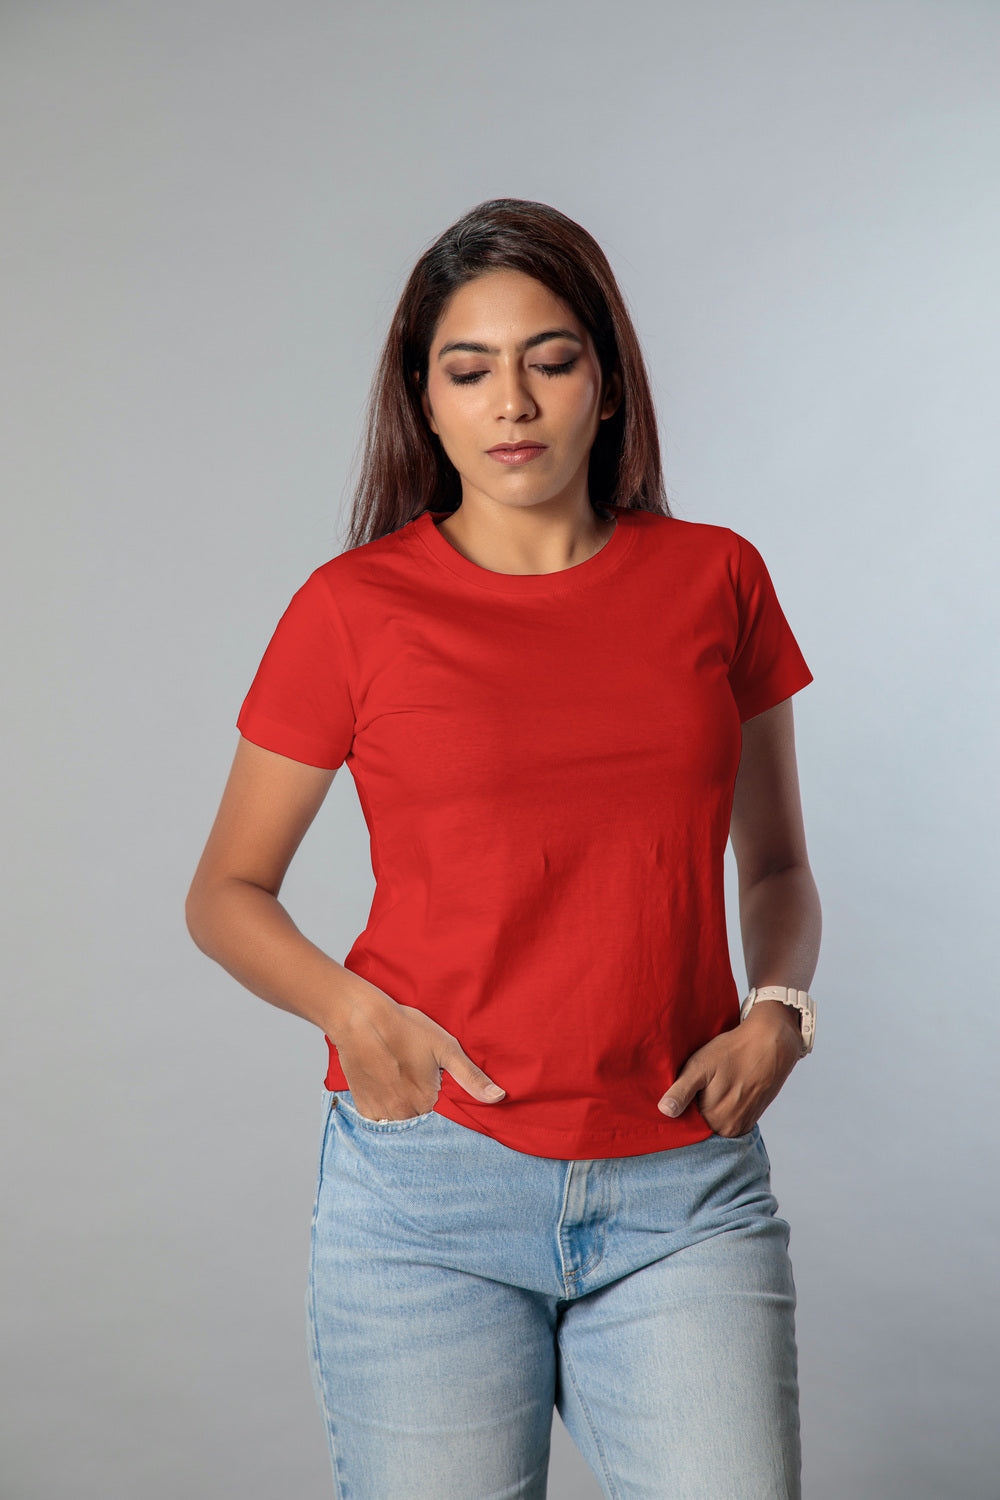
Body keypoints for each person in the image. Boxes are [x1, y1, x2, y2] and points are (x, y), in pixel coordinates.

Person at [185, 197, 821, 1500]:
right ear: (424, 403)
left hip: (684, 1186)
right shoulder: (353, 609)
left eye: (551, 360)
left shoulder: (718, 579)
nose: (513, 403)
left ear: (607, 384)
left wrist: (779, 1009)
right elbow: (226, 893)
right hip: (432, 1193)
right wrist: (354, 1012)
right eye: (469, 371)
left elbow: (775, 866)